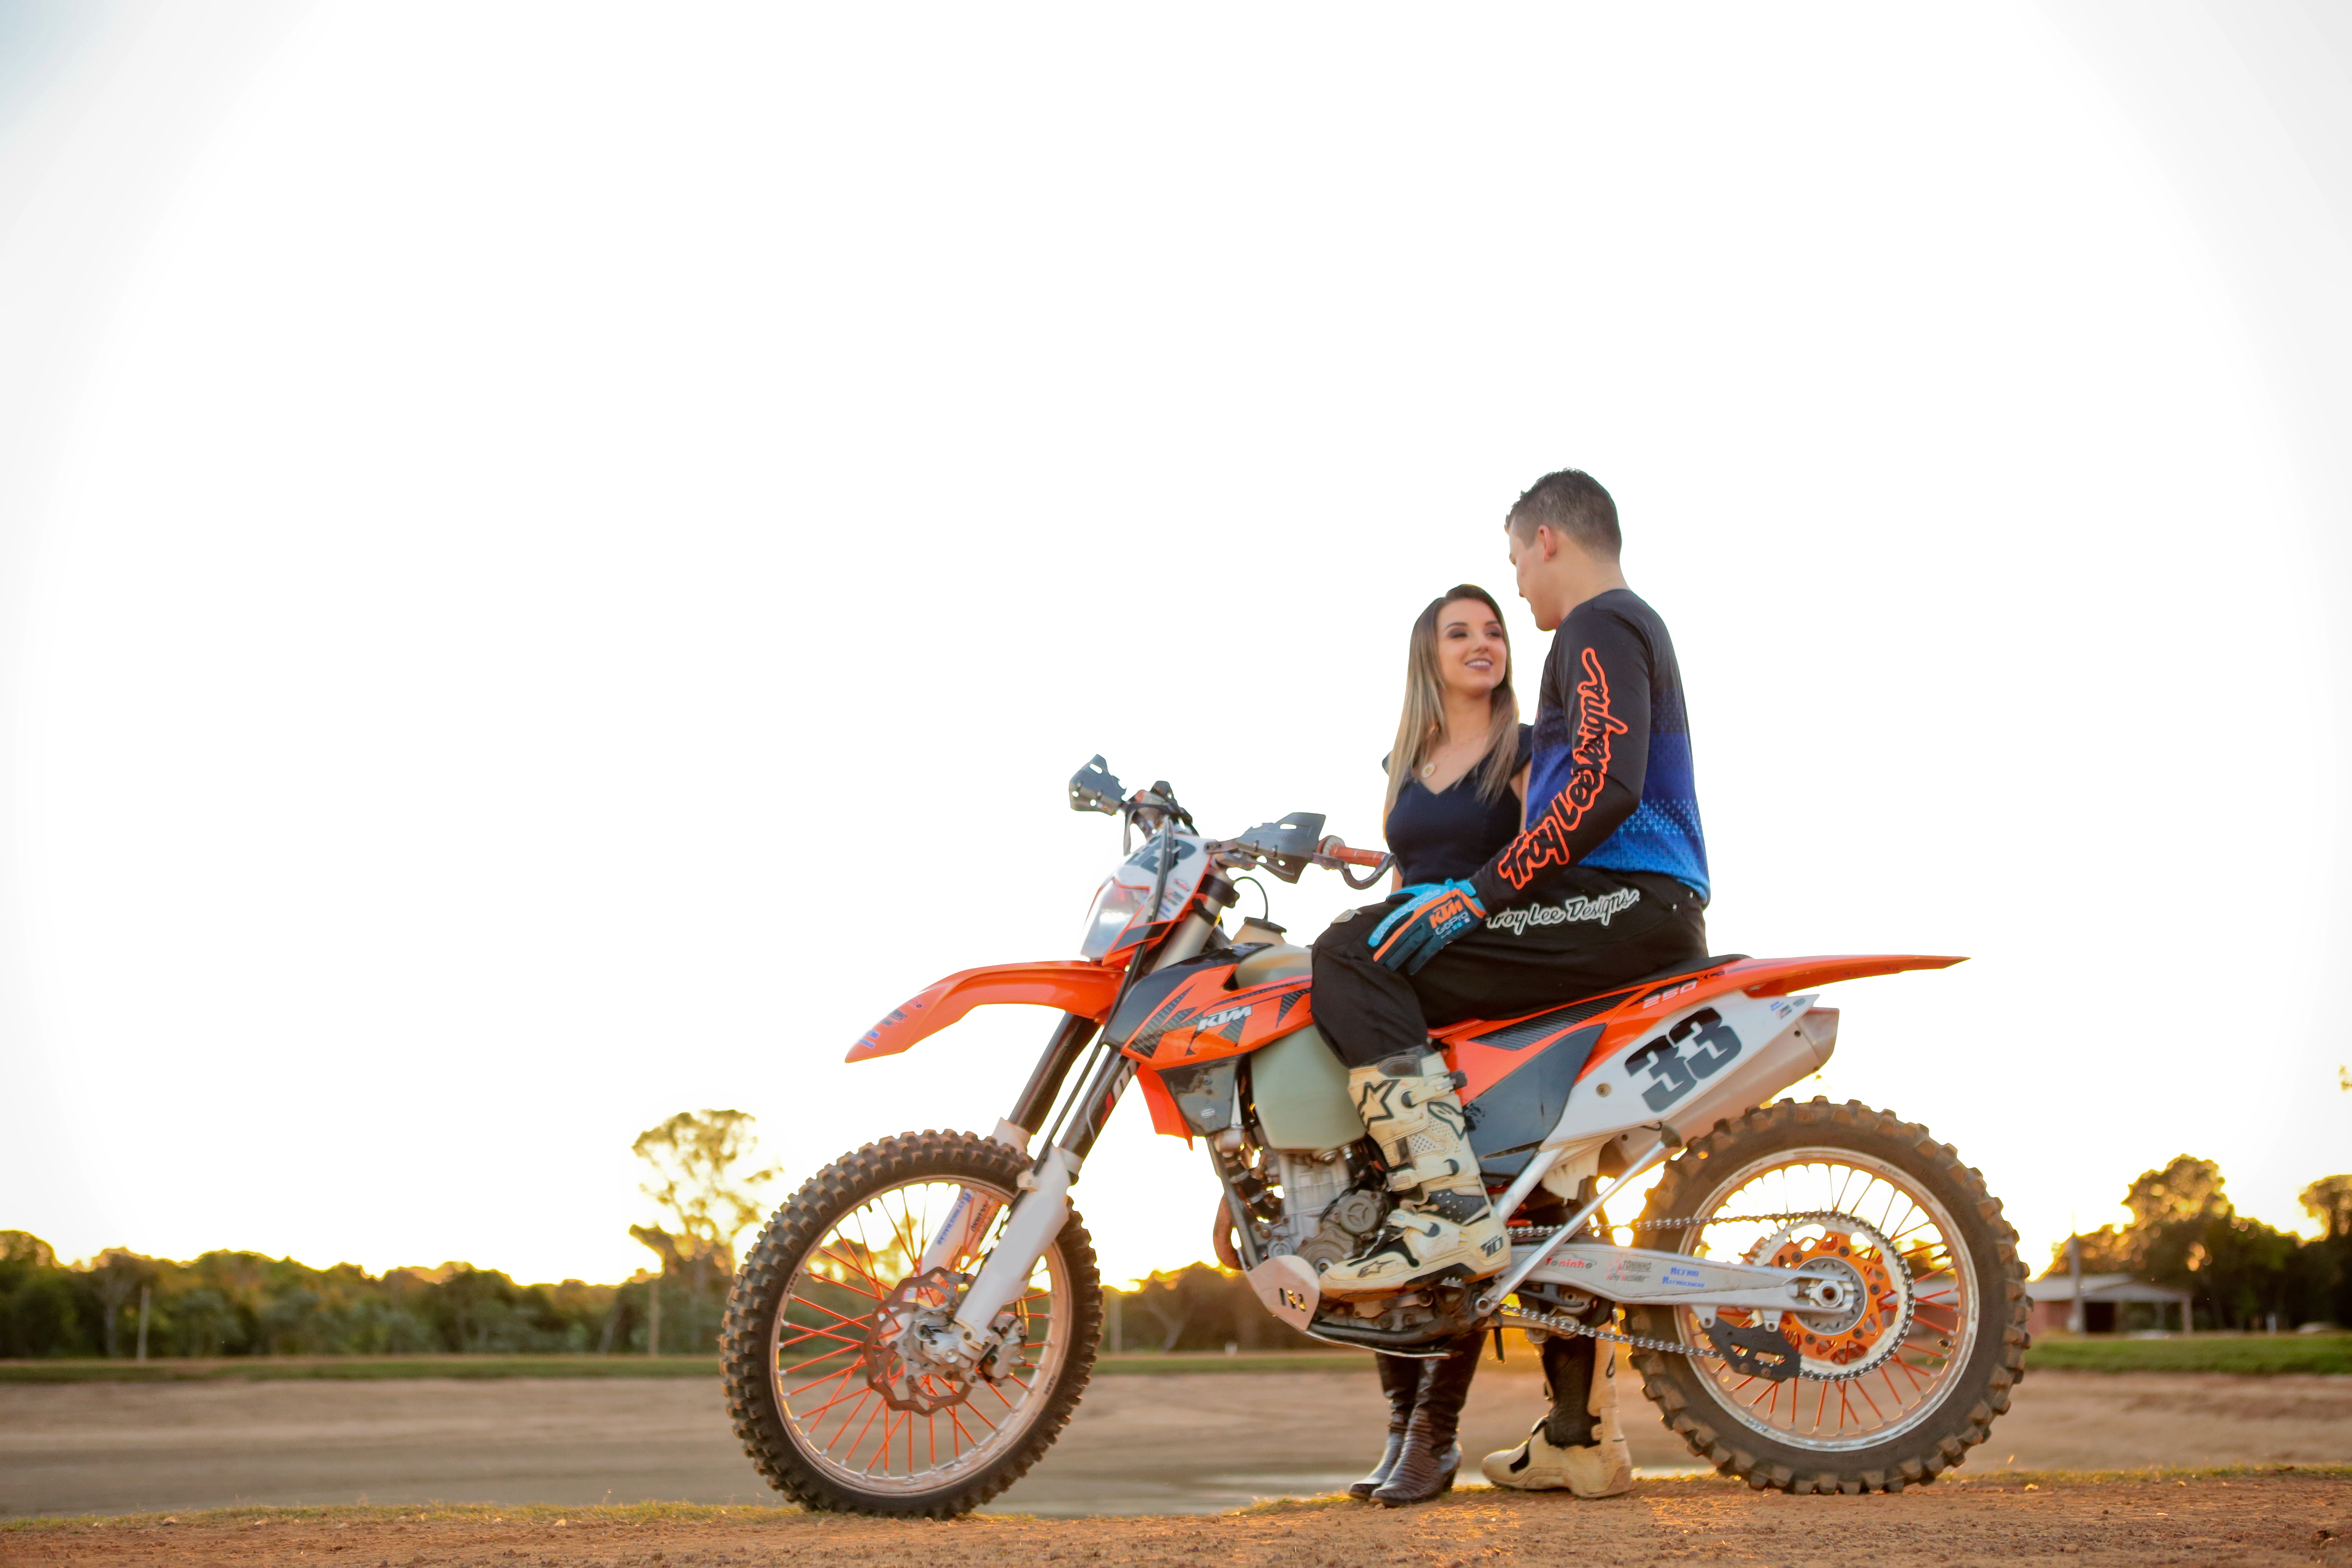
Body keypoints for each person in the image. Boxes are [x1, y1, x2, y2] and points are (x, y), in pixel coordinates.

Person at [1311, 468, 1710, 1498]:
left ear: (1543, 540)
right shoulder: (1601, 637)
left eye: (1509, 578)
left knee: (1349, 957)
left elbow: (1599, 787)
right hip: (1611, 904)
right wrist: (1418, 890)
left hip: (1625, 902)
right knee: (1546, 1177)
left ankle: (1442, 1205)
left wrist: (1470, 898)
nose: (1506, 617)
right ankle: (1575, 1435)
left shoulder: (1596, 627)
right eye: (1463, 630)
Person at [1348, 585, 1530, 1509]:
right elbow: (1410, 862)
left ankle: (1436, 1432)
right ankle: (1396, 1427)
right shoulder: (1408, 758)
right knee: (1379, 1192)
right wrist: (1364, 865)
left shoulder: (1522, 749)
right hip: (1415, 961)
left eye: (1493, 630)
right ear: (1429, 654)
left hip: (1481, 956)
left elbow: (1549, 853)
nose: (1482, 643)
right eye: (1460, 632)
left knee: (1461, 1189)